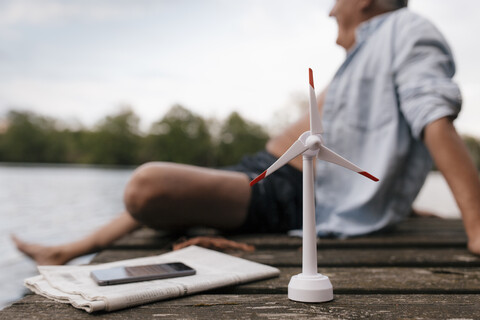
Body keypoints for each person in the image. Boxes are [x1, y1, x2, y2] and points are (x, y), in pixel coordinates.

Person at [12, 0, 480, 264]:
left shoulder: (407, 29)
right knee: (174, 188)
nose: (328, 9)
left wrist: (475, 224)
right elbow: (382, 142)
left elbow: (432, 117)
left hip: (286, 190)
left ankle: (67, 249)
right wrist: (400, 200)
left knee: (145, 187)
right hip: (267, 173)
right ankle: (68, 249)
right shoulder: (370, 52)